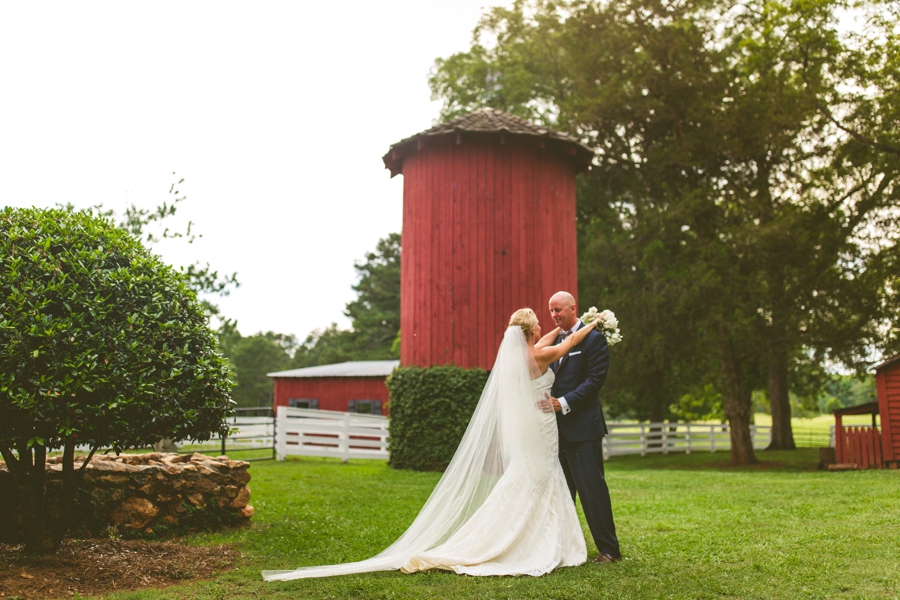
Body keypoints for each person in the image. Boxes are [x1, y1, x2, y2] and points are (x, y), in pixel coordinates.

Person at [263, 308, 598, 581]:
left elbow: (554, 340)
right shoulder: (537, 358)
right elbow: (568, 343)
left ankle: (536, 533)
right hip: (539, 428)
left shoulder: (522, 356)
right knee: (539, 476)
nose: (543, 327)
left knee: (532, 477)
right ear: (528, 333)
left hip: (535, 426)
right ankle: (533, 540)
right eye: (538, 325)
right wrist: (592, 323)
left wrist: (563, 330)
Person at [547, 291, 621, 563]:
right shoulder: (553, 339)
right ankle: (562, 547)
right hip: (555, 431)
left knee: (592, 489)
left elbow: (594, 380)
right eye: (551, 311)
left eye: (558, 310)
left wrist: (563, 403)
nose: (554, 315)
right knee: (561, 491)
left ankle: (609, 550)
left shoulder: (593, 339)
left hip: (583, 428)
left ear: (572, 308)